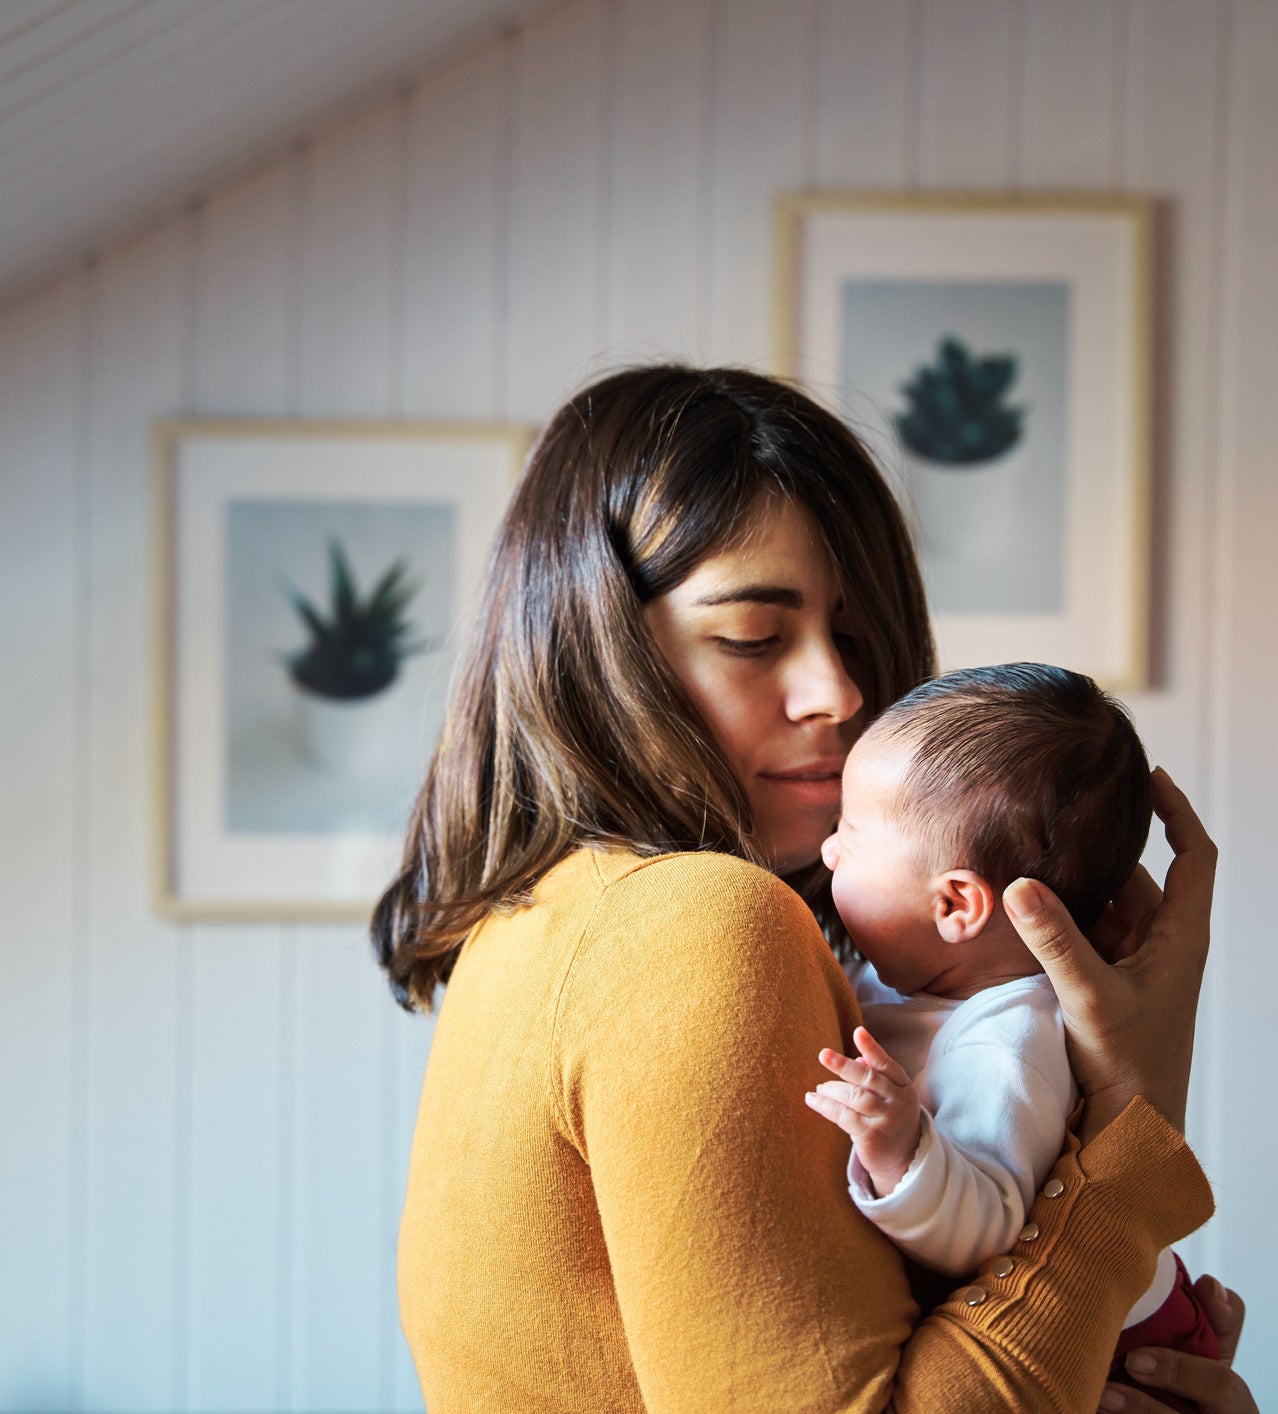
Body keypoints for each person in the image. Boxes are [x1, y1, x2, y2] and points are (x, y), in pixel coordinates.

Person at [373, 364, 1253, 1411]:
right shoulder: (692, 922)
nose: (838, 690)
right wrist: (1129, 1130)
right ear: (600, 650)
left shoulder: (541, 924)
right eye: (754, 636)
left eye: (857, 634)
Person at [805, 663, 1218, 1409]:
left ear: (957, 904)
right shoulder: (914, 981)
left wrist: (904, 1153)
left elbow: (991, 1228)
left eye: (850, 834)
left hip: (1121, 1350)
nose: (828, 852)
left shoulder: (1010, 1043)